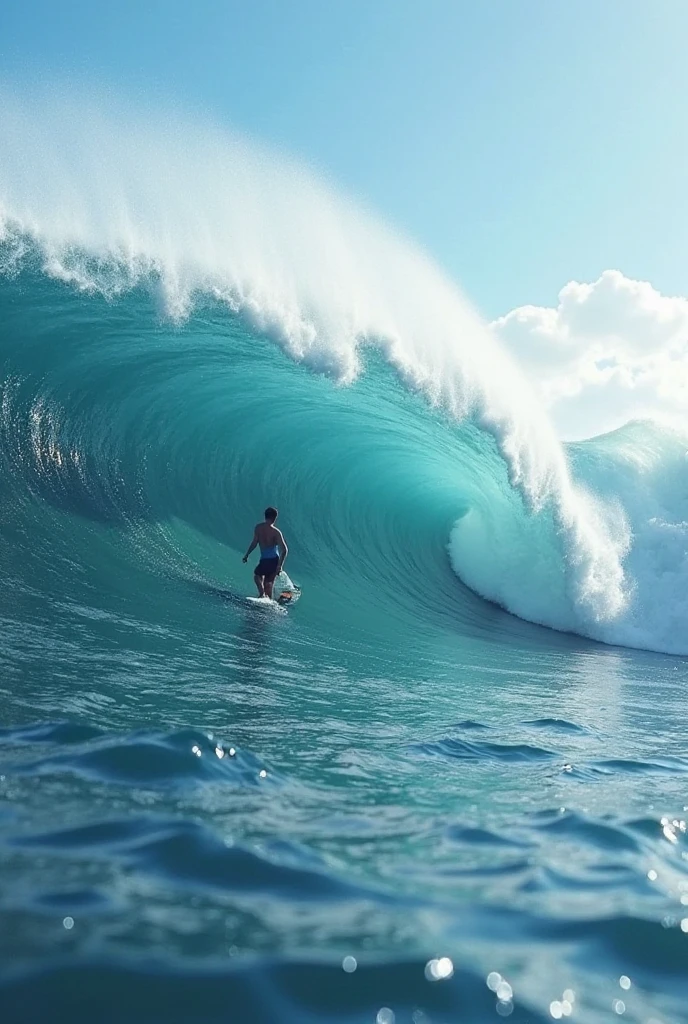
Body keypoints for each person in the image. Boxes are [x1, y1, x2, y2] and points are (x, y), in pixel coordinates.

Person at [242, 506, 288, 600]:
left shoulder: (258, 528)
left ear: (265, 516)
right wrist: (280, 565)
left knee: (257, 576)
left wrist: (247, 554)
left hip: (264, 559)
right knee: (268, 582)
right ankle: (267, 601)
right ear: (275, 518)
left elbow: (254, 543)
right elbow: (284, 550)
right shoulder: (276, 532)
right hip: (274, 560)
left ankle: (262, 594)